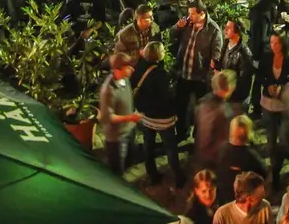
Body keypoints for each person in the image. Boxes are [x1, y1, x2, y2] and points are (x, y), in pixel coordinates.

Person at [135, 40, 186, 187]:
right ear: (158, 55)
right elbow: (168, 98)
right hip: (163, 120)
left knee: (148, 145)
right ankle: (178, 178)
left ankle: (152, 174)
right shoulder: (162, 75)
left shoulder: (140, 68)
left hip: (146, 117)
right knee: (170, 148)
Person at [175, 0, 224, 136]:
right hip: (184, 73)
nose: (189, 16)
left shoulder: (213, 30)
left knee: (200, 109)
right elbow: (171, 35)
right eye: (188, 13)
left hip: (200, 78)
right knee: (181, 106)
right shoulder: (187, 24)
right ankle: (181, 132)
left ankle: (199, 136)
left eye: (192, 14)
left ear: (202, 13)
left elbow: (216, 56)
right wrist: (178, 27)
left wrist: (208, 76)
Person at [259, 32, 289, 179]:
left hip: (283, 106)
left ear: (283, 44)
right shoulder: (266, 57)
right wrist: (268, 85)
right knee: (270, 139)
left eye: (276, 43)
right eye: (271, 43)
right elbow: (260, 76)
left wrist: (283, 87)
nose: (273, 46)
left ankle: (277, 168)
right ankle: (273, 168)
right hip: (268, 104)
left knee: (283, 140)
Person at [99, 51, 142, 174]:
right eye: (129, 67)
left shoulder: (125, 80)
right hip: (117, 138)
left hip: (130, 130)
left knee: (130, 160)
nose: (132, 70)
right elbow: (108, 117)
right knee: (117, 170)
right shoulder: (108, 90)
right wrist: (129, 117)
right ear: (119, 69)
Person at [194, 69, 243, 173]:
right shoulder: (224, 112)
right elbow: (224, 139)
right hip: (216, 157)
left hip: (202, 152)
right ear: (228, 88)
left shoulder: (203, 101)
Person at [220, 19, 255, 105]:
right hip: (227, 95)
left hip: (238, 100)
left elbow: (243, 80)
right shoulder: (226, 44)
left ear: (237, 32)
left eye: (228, 28)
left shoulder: (245, 54)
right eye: (225, 27)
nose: (225, 30)